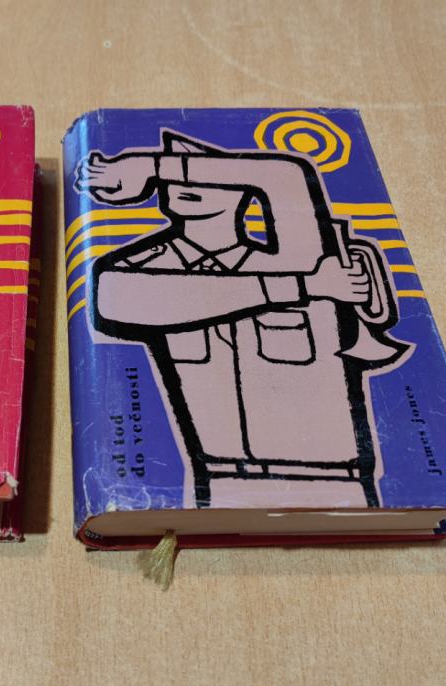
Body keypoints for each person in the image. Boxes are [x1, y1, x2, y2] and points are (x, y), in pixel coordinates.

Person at [77, 131, 405, 507]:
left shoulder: (300, 257)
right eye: (176, 173)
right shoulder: (143, 270)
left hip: (336, 481)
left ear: (244, 183)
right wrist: (302, 286)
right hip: (218, 484)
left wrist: (152, 166)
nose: (184, 183)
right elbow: (117, 299)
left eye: (203, 171)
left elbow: (284, 176)